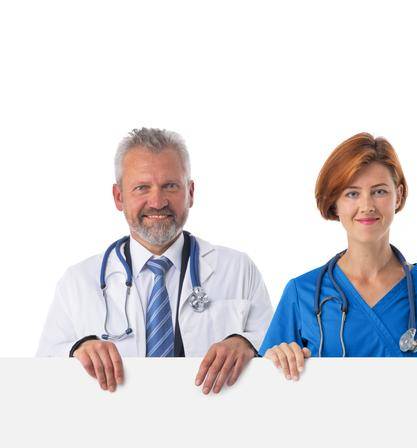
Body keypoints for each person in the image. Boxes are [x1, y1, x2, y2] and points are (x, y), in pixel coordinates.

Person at [38, 128, 273, 395]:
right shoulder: (77, 282)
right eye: (142, 188)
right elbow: (40, 374)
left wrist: (247, 343)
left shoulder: (238, 270)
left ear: (191, 192)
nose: (158, 202)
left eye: (170, 186)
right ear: (119, 197)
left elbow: (280, 353)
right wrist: (76, 350)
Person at [259, 133, 417, 378]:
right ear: (334, 203)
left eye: (379, 191)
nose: (367, 205)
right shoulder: (302, 293)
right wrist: (272, 361)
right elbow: (265, 386)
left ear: (399, 195)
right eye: (352, 193)